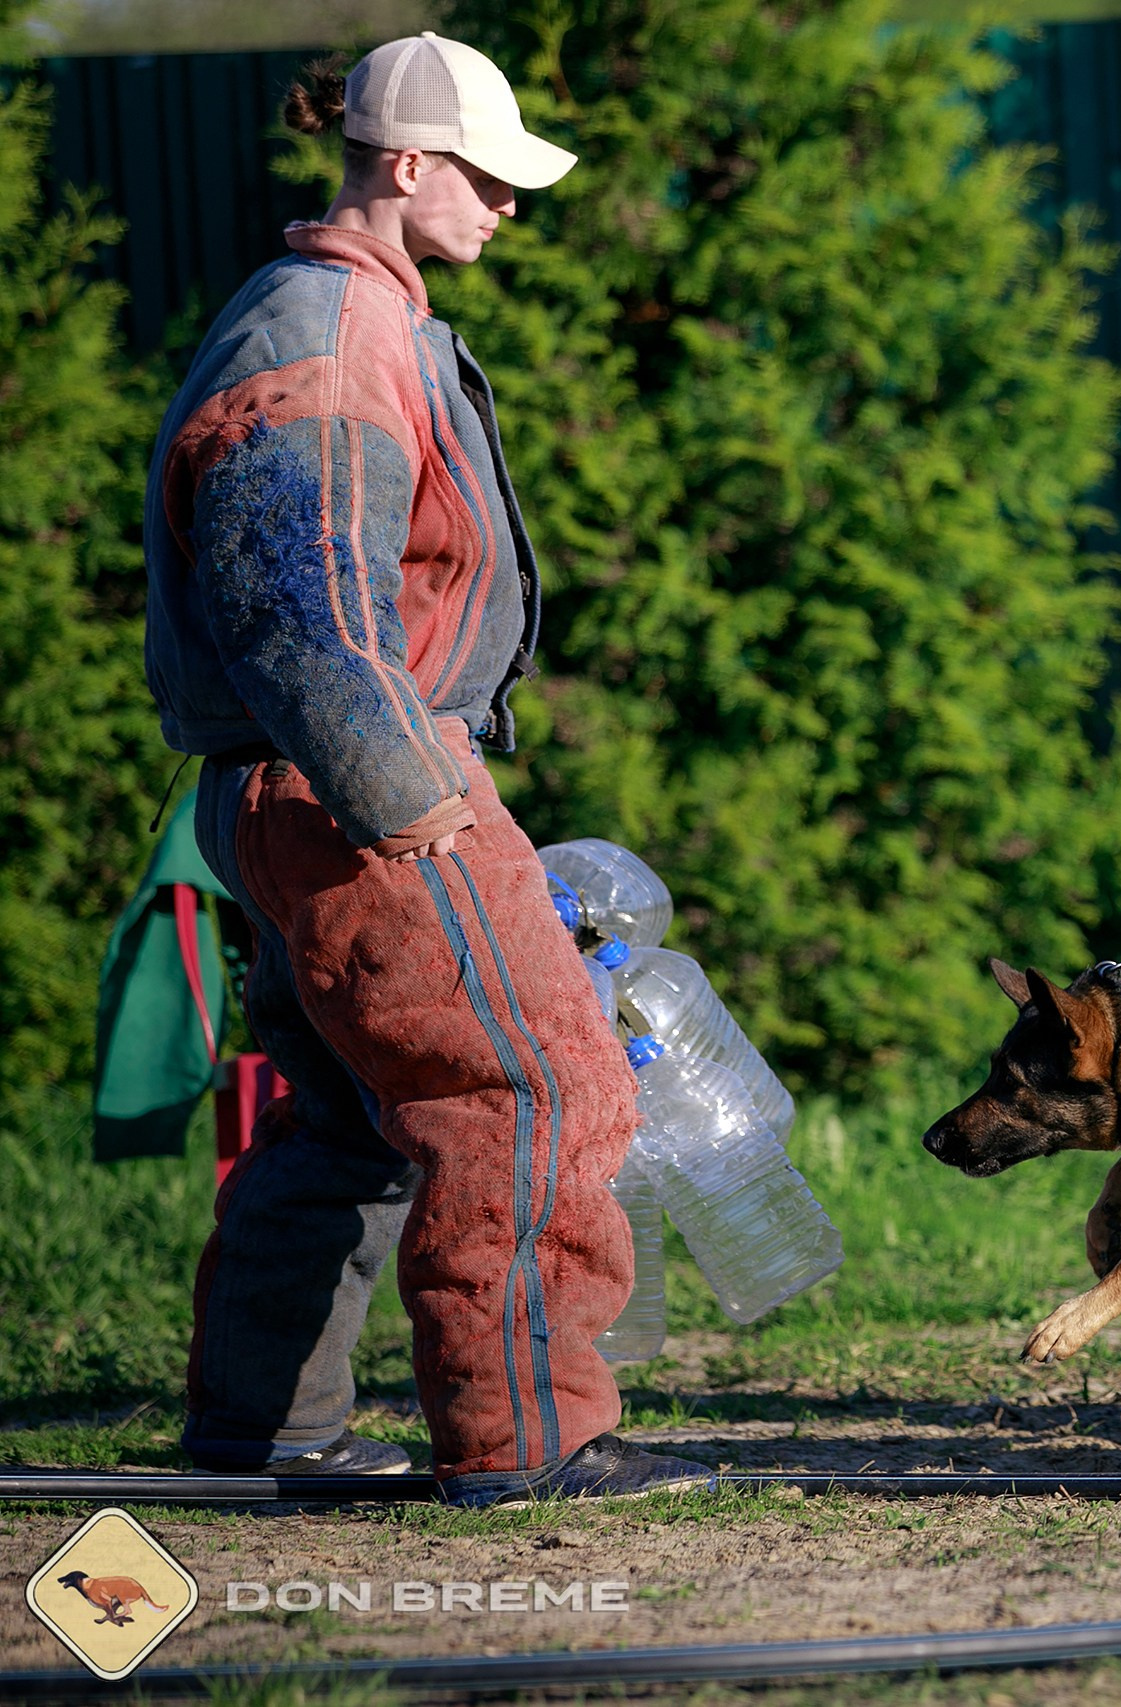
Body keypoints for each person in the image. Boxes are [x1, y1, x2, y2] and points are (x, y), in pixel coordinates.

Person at [142, 34, 711, 1504]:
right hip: (361, 781)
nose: (512, 204)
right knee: (530, 1085)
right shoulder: (329, 337)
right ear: (405, 164)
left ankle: (265, 1423)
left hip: (305, 786)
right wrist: (422, 803)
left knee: (341, 1116)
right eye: (490, 173)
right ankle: (531, 1438)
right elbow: (304, 618)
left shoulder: (343, 316)